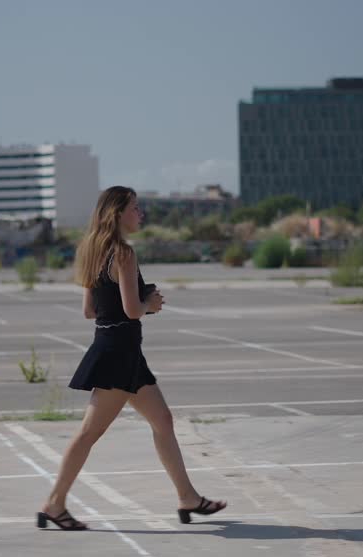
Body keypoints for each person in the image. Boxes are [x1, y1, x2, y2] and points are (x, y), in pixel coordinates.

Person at [37, 186, 227, 531]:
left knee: (163, 421)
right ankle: (54, 503)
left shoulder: (92, 250)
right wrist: (149, 303)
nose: (141, 214)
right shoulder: (123, 253)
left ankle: (187, 497)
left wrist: (136, 302)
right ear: (118, 214)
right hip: (118, 355)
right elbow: (132, 310)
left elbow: (89, 310)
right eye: (135, 208)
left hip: (120, 350)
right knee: (89, 433)